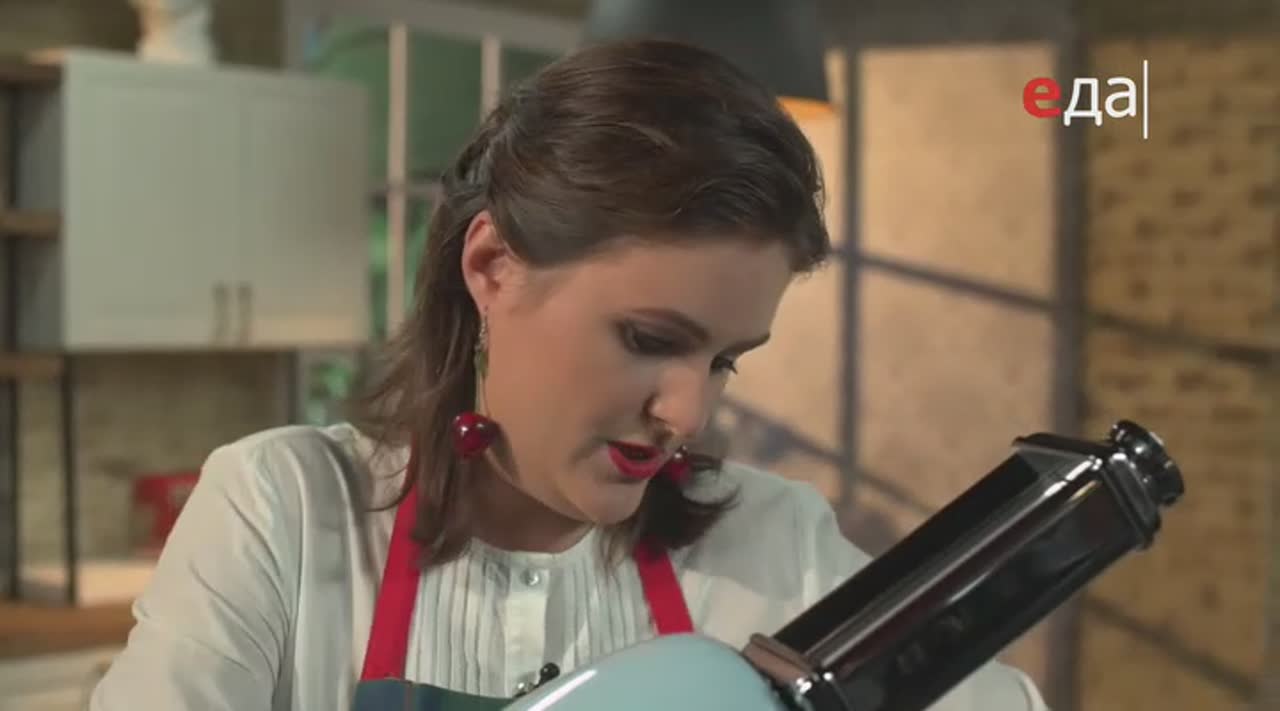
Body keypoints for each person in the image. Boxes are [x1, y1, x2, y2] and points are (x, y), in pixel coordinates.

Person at [90, 39, 1048, 711]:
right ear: (491, 267)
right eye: (648, 337)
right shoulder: (283, 514)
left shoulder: (779, 547)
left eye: (723, 360)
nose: (687, 412)